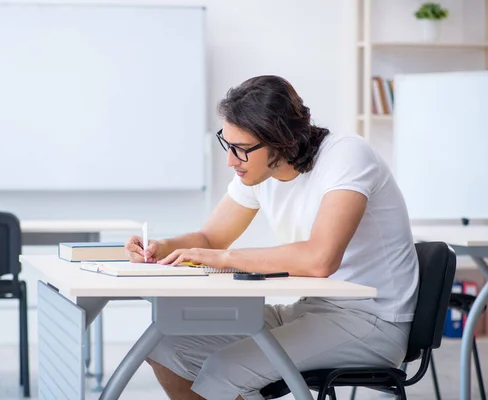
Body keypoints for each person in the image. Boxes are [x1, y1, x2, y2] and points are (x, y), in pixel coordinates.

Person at [124, 75, 419, 400]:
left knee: (226, 369)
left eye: (241, 149)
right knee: (166, 344)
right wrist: (159, 247)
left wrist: (225, 259)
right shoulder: (259, 172)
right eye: (228, 143)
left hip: (372, 323)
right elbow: (210, 238)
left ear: (280, 141)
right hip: (310, 310)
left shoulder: (347, 156)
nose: (230, 160)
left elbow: (320, 260)